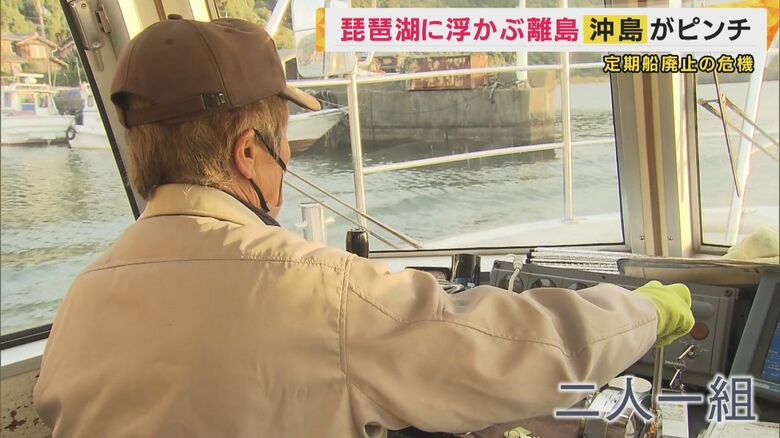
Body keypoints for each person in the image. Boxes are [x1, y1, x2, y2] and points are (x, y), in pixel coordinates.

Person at [33, 17, 694, 438]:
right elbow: (517, 348)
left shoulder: (81, 302)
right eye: (283, 143)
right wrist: (642, 311)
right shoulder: (314, 292)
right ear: (247, 152)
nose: (289, 160)